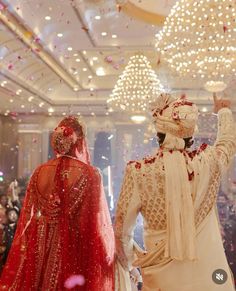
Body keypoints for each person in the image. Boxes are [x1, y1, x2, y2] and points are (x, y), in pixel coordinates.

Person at [115, 93, 236, 291]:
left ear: (158, 134)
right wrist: (223, 111)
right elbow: (228, 142)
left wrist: (130, 265)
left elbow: (121, 232)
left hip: (161, 282)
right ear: (191, 137)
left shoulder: (139, 172)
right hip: (210, 280)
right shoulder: (208, 163)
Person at [0, 116, 115, 290]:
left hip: (39, 246)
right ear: (79, 141)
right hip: (74, 250)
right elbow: (92, 222)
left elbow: (28, 217)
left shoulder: (39, 172)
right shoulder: (90, 174)